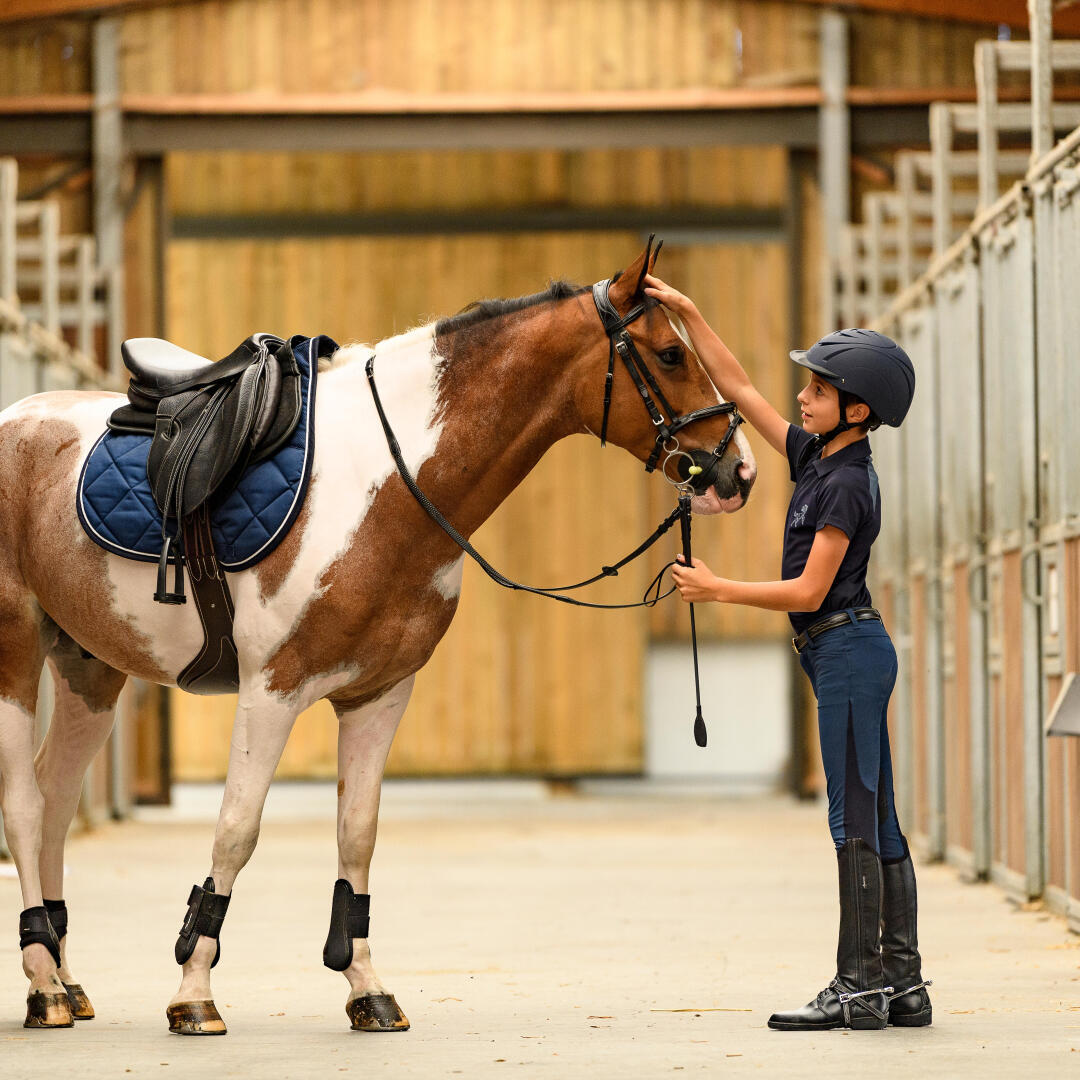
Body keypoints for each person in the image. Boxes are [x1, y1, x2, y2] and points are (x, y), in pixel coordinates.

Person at [643, 273, 929, 1032]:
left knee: (853, 819)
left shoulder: (844, 484)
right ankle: (901, 982)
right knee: (878, 814)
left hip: (845, 652)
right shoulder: (819, 459)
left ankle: (857, 983)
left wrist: (718, 589)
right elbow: (737, 387)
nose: (801, 399)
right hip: (842, 654)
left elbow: (809, 591)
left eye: (817, 390)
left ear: (855, 410)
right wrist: (692, 315)